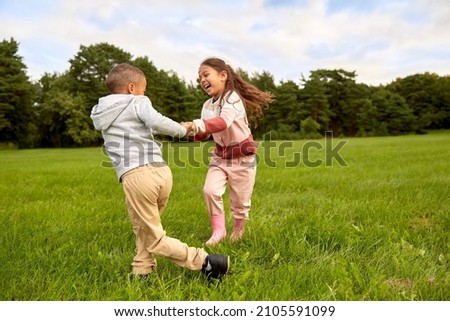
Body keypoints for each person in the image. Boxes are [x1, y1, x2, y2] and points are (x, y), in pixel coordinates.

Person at [90, 63, 229, 280]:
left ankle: (207, 261)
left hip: (137, 177)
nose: (143, 94)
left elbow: (152, 123)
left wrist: (182, 130)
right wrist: (182, 129)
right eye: (143, 89)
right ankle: (142, 269)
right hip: (161, 172)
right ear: (131, 88)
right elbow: (155, 121)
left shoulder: (101, 112)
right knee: (143, 227)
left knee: (154, 236)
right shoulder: (137, 102)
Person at [188, 57, 274, 246]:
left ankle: (238, 231)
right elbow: (205, 132)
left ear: (223, 75)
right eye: (199, 77)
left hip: (243, 158)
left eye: (206, 74)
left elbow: (222, 122)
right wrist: (192, 131)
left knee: (241, 202)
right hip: (220, 157)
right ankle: (219, 232)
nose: (202, 80)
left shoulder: (232, 98)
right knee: (210, 190)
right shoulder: (207, 106)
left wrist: (197, 124)